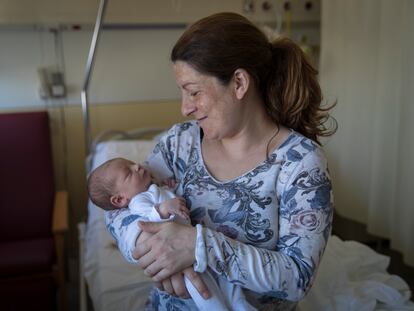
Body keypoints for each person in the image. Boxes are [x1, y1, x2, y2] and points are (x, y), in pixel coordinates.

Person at [106, 12, 336, 310]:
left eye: (194, 92)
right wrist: (151, 249)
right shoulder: (180, 143)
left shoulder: (300, 164)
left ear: (239, 83)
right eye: (183, 93)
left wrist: (196, 246)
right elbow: (117, 208)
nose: (185, 108)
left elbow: (297, 278)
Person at [88, 157, 255, 311]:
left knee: (228, 284)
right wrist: (163, 209)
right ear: (119, 200)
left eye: (132, 163)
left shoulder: (153, 187)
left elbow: (166, 193)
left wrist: (170, 186)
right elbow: (147, 217)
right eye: (128, 172)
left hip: (194, 246)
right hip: (178, 259)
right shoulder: (138, 201)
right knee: (205, 292)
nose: (137, 166)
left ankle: (241, 305)